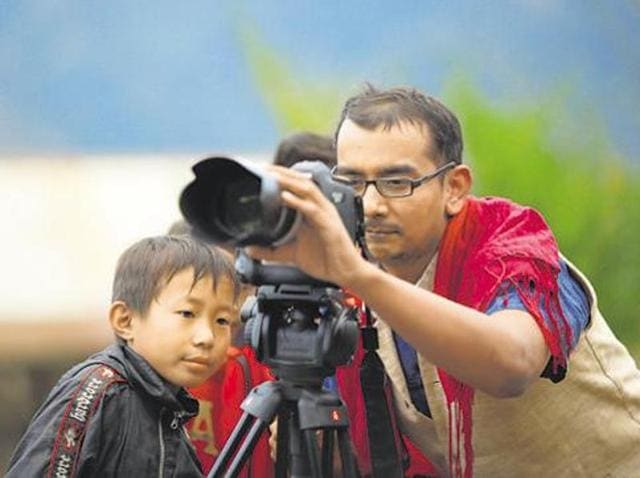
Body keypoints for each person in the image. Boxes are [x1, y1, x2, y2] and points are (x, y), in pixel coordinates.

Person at [245, 85, 640, 477]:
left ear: (455, 188)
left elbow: (512, 366)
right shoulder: (349, 276)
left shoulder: (511, 246)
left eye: (397, 183)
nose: (371, 205)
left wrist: (356, 274)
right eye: (352, 183)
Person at [6, 235, 239, 477]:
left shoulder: (169, 406)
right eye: (187, 313)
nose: (207, 337)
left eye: (223, 320)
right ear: (125, 320)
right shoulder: (101, 390)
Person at [167, 220, 274, 477]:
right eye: (210, 285)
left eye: (241, 285)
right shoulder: (154, 366)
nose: (232, 306)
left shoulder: (276, 367)